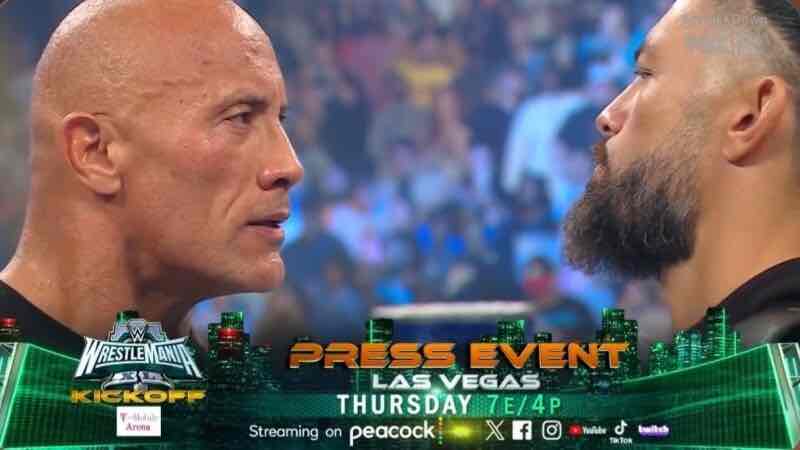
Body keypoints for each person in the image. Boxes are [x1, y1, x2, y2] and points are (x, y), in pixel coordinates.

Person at [0, 0, 304, 356]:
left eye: (280, 119)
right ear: (96, 153)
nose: (289, 166)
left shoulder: (241, 389)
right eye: (239, 118)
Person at [563, 0, 800, 345]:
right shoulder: (702, 361)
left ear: (749, 116)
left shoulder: (772, 371)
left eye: (645, 74)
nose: (607, 116)